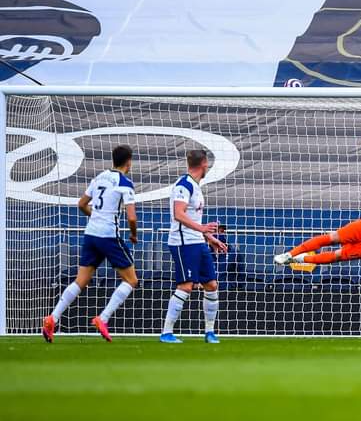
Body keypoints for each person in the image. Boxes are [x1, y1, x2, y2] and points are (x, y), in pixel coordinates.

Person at [42, 145, 138, 343]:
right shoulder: (125, 183)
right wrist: (134, 235)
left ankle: (53, 318)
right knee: (131, 280)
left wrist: (97, 217)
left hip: (91, 234)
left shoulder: (99, 177)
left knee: (81, 280)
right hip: (109, 236)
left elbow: (81, 204)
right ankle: (103, 318)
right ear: (129, 161)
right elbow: (131, 217)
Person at [160, 150, 227, 344]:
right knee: (186, 286)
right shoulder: (184, 185)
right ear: (204, 164)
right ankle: (166, 332)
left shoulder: (196, 186)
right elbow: (178, 214)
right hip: (183, 243)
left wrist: (209, 237)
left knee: (212, 285)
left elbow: (192, 218)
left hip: (197, 241)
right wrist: (202, 228)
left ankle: (209, 332)